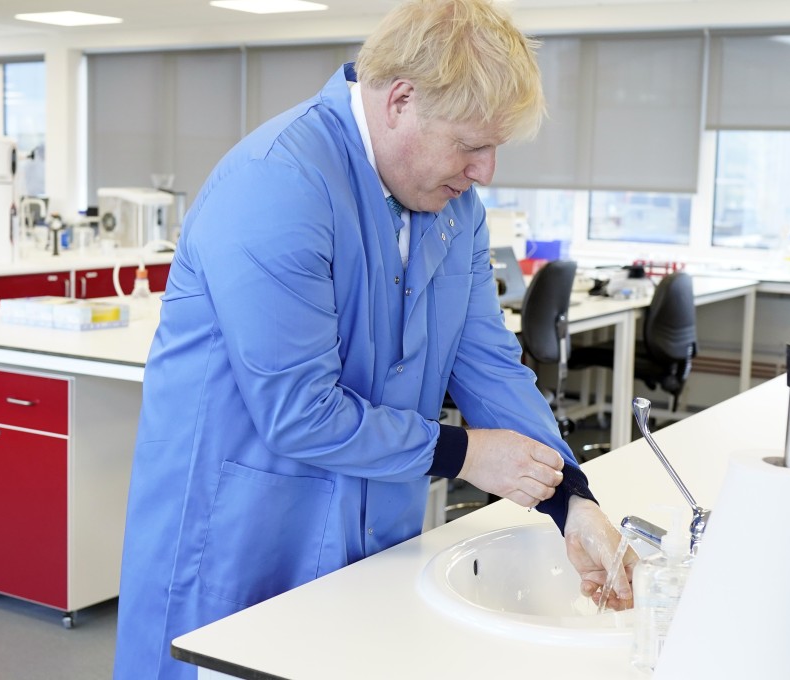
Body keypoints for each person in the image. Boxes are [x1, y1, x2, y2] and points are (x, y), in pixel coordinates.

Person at [113, 1, 632, 677]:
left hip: (366, 538)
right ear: (401, 101)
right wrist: (466, 454)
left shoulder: (453, 212)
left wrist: (570, 500)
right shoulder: (277, 183)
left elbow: (489, 365)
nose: (486, 172)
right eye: (472, 144)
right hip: (239, 535)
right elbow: (298, 410)